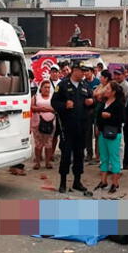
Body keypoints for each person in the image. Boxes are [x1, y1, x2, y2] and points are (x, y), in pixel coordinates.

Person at [51, 63, 95, 195]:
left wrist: (91, 101)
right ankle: (63, 182)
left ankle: (77, 181)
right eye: (82, 71)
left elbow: (92, 101)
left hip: (82, 127)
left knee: (79, 155)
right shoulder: (63, 85)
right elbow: (54, 102)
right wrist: (64, 105)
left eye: (85, 71)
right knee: (66, 155)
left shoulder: (85, 86)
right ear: (74, 71)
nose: (84, 73)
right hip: (67, 127)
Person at [95, 81, 126, 194]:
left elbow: (121, 119)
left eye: (108, 89)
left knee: (114, 158)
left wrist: (109, 116)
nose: (105, 90)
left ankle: (115, 182)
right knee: (104, 157)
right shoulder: (103, 102)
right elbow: (98, 116)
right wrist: (100, 122)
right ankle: (103, 181)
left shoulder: (119, 104)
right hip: (103, 132)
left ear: (113, 92)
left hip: (113, 133)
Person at [30, 80, 56, 170]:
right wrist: (42, 108)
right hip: (37, 123)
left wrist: (43, 109)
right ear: (41, 88)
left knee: (49, 143)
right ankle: (37, 162)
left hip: (50, 123)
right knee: (38, 144)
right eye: (45, 87)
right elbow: (32, 107)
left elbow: (56, 108)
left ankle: (48, 162)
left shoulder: (53, 97)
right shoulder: (36, 97)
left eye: (49, 87)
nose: (47, 89)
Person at [82, 64, 99, 162]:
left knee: (97, 133)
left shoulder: (98, 82)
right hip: (87, 111)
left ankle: (98, 155)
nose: (85, 73)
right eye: (84, 71)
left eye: (87, 71)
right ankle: (89, 153)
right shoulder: (83, 83)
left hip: (97, 111)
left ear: (92, 71)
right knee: (87, 134)